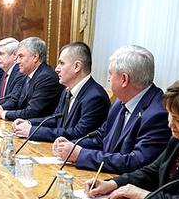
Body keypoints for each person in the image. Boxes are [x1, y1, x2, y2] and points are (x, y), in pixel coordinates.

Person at [87, 71, 179, 199]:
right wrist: (112, 183)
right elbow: (153, 170)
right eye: (170, 114)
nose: (170, 124)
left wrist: (144, 195)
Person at [54, 45, 171, 174]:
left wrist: (82, 155)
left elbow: (137, 162)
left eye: (110, 73)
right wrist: (70, 146)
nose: (108, 79)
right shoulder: (119, 102)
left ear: (124, 79)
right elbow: (100, 137)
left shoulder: (158, 114)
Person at [12, 42, 110, 141]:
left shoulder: (95, 97)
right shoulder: (67, 90)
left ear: (77, 66)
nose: (56, 69)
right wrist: (29, 123)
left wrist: (32, 131)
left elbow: (78, 134)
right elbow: (55, 119)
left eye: (62, 63)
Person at [0, 37, 63, 121]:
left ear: (35, 57)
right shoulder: (27, 74)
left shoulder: (46, 77)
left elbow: (32, 112)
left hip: (37, 128)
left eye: (21, 56)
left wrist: (3, 114)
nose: (17, 61)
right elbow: (15, 100)